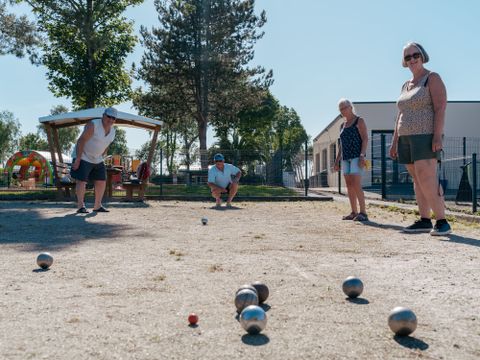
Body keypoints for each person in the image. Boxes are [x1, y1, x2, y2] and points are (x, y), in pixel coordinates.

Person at [389, 42, 451, 236]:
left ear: (422, 56)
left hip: (425, 136)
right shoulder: (405, 85)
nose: (412, 59)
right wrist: (394, 140)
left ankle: (442, 221)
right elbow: (400, 115)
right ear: (404, 62)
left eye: (415, 55)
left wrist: (437, 136)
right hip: (405, 139)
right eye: (408, 57)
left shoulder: (431, 78)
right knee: (417, 179)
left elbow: (440, 107)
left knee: (427, 178)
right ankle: (424, 220)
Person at [70, 107, 117, 213]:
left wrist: (102, 156)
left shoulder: (113, 131)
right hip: (83, 155)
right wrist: (77, 159)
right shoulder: (93, 124)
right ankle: (80, 206)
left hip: (97, 158)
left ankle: (97, 206)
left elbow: (107, 144)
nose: (110, 119)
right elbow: (81, 140)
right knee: (81, 181)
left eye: (113, 118)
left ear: (115, 120)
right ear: (103, 115)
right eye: (108, 116)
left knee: (101, 181)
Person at [334, 99, 369, 221]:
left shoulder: (359, 121)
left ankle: (363, 212)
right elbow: (341, 144)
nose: (343, 111)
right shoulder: (342, 125)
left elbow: (365, 139)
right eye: (340, 109)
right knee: (349, 185)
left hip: (356, 157)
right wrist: (337, 160)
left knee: (356, 183)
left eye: (344, 108)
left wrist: (362, 155)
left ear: (350, 107)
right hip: (345, 158)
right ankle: (353, 212)